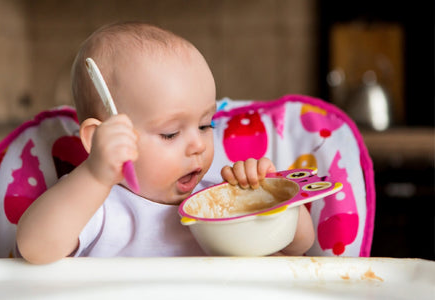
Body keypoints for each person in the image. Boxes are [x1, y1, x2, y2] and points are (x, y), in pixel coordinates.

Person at [16, 21, 314, 264]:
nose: (197, 145)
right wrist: (95, 174)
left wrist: (272, 199)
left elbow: (297, 247)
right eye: (171, 133)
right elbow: (35, 248)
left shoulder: (219, 201)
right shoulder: (97, 207)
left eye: (205, 125)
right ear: (99, 140)